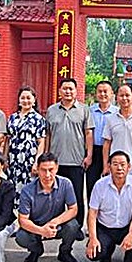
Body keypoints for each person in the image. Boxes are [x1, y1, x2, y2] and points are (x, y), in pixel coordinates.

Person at [15, 152, 80, 262]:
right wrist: (41, 231)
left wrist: (55, 222)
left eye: (51, 169)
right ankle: (36, 250)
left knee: (73, 226)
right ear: (37, 169)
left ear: (57, 168)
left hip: (57, 225)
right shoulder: (27, 190)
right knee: (21, 236)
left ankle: (65, 252)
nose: (47, 174)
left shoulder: (65, 183)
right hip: (36, 226)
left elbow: (73, 209)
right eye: (43, 170)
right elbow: (22, 220)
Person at [86, 151, 132, 262]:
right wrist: (92, 238)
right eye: (115, 164)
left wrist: (131, 235)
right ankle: (107, 253)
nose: (119, 168)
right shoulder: (99, 185)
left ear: (129, 167)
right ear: (109, 166)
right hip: (105, 228)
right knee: (94, 255)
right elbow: (92, 213)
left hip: (125, 227)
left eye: (123, 164)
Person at [46, 78, 94, 234]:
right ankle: (55, 227)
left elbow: (88, 133)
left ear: (76, 91)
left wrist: (89, 155)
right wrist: (46, 156)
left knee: (77, 196)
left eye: (71, 89)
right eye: (65, 88)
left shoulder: (84, 110)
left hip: (76, 160)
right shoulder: (52, 110)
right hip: (55, 162)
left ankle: (77, 227)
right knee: (55, 196)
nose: (68, 91)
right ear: (59, 91)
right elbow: (48, 135)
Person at [102, 84, 132, 180]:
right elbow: (107, 143)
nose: (124, 98)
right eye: (121, 95)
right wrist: (105, 165)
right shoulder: (110, 119)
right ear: (117, 98)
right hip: (116, 168)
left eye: (127, 95)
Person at [5, 86, 46, 194]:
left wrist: (37, 162)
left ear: (34, 100)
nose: (25, 100)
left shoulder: (38, 119)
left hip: (29, 159)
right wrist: (5, 158)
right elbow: (8, 139)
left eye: (28, 98)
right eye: (22, 98)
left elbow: (41, 142)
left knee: (28, 187)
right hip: (13, 159)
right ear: (19, 100)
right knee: (12, 186)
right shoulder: (12, 118)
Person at [87, 81, 118, 198]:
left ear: (111, 93)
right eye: (100, 91)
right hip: (93, 150)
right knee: (92, 183)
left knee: (111, 183)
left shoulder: (117, 112)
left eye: (105, 91)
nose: (102, 94)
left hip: (112, 151)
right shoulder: (89, 111)